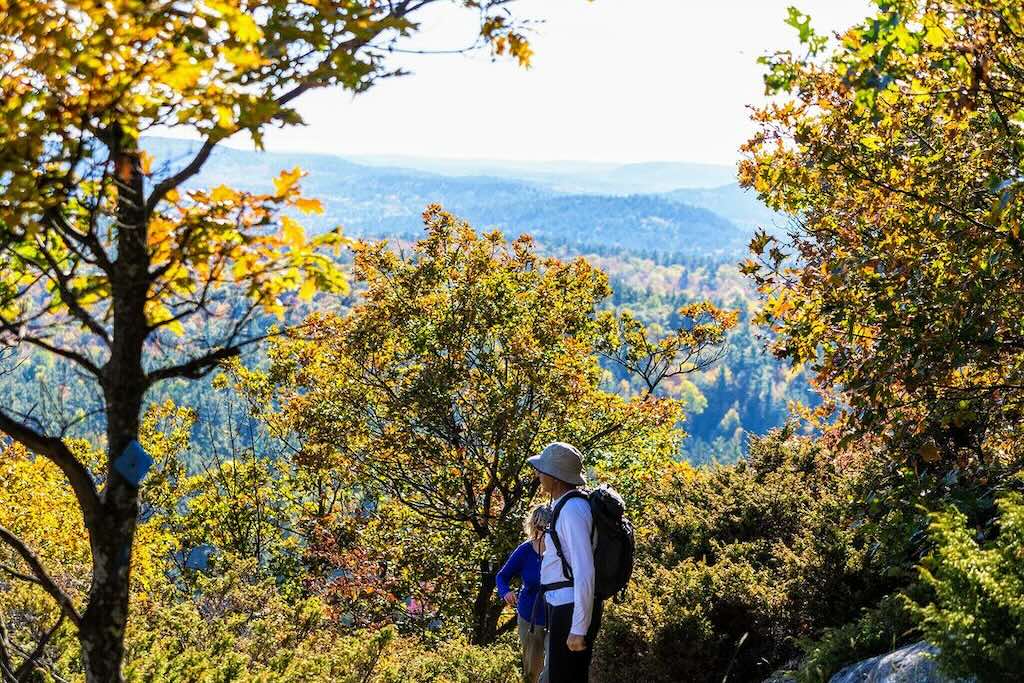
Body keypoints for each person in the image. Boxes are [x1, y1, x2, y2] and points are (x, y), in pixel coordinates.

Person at [527, 442, 602, 683]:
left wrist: (578, 628)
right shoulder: (568, 506)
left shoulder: (572, 510)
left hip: (569, 608)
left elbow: (584, 570)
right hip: (563, 606)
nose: (539, 475)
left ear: (556, 478)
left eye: (543, 471)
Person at [496, 503, 551, 683]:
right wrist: (506, 593)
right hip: (530, 618)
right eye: (539, 526)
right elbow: (502, 577)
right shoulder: (525, 550)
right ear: (533, 526)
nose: (542, 531)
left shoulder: (560, 552)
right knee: (532, 671)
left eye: (545, 527)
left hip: (556, 617)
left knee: (553, 669)